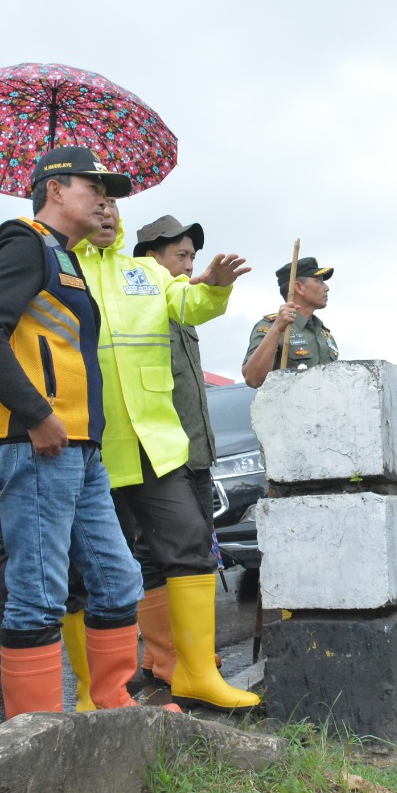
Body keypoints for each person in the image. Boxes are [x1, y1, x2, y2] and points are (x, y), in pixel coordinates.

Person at [0, 146, 143, 719]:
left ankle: (110, 707)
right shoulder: (23, 242)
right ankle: (31, 736)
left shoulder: (68, 257)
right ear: (56, 189)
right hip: (36, 442)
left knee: (118, 580)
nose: (104, 198)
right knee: (39, 596)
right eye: (94, 186)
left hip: (79, 447)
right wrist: (37, 414)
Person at [76, 211, 257, 710]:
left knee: (191, 544)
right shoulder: (62, 264)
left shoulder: (146, 274)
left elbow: (189, 302)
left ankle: (194, 672)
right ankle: (95, 690)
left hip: (155, 440)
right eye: (95, 199)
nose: (107, 212)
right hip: (91, 439)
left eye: (113, 203)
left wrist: (214, 289)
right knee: (89, 567)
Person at [242, 257, 338, 388]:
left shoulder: (324, 335)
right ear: (298, 287)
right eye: (318, 281)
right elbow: (254, 379)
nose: (326, 288)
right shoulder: (271, 327)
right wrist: (277, 329)